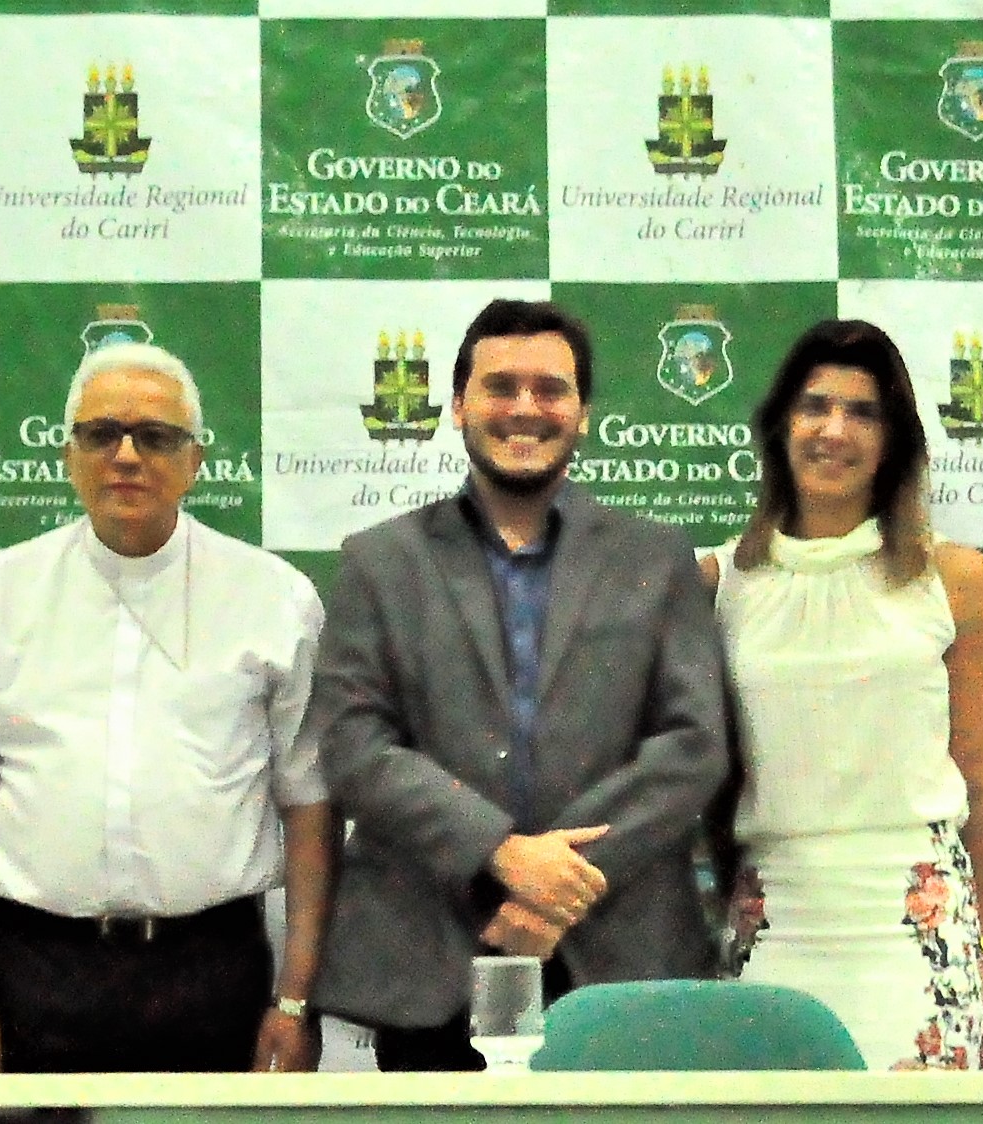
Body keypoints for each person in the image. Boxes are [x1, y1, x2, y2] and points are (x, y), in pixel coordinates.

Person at [309, 299, 732, 1071]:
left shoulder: (656, 558)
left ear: (583, 412)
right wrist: (501, 853)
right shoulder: (380, 562)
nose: (524, 409)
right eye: (500, 386)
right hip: (433, 960)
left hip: (620, 961)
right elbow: (352, 743)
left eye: (550, 389)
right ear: (457, 406)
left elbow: (693, 745)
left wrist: (559, 886)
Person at [0, 343, 333, 1073]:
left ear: (196, 461)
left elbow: (310, 806)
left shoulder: (276, 599)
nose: (127, 456)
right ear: (68, 455)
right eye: (102, 434)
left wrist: (296, 999)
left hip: (213, 968)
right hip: (35, 967)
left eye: (156, 437)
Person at [704, 320, 983, 1070]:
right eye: (814, 406)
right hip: (775, 919)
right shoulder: (718, 582)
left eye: (863, 412)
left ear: (893, 439)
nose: (833, 430)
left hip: (915, 929)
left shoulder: (954, 578)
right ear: (781, 425)